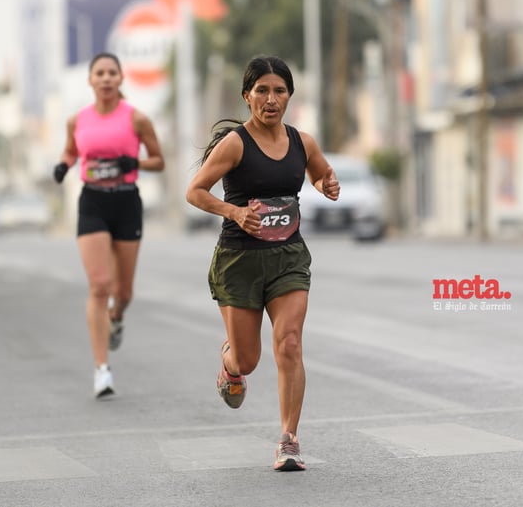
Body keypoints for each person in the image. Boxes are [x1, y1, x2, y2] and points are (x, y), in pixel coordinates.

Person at [185, 55, 340, 471]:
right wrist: (233, 212)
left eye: (280, 91)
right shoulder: (235, 143)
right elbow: (195, 191)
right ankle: (230, 364)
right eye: (262, 91)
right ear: (247, 96)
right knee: (249, 359)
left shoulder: (303, 141)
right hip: (239, 260)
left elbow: (321, 172)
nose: (271, 100)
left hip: (288, 257)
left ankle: (288, 439)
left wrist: (327, 183)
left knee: (289, 343)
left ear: (289, 96)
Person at [53, 52, 165, 398]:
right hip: (93, 203)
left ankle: (117, 317)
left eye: (111, 73)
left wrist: (134, 161)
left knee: (124, 292)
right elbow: (71, 152)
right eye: (99, 73)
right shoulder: (77, 121)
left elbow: (159, 161)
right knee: (99, 285)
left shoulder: (137, 119)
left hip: (126, 202)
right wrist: (63, 165)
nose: (104, 78)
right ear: (90, 80)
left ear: (120, 79)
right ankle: (102, 370)